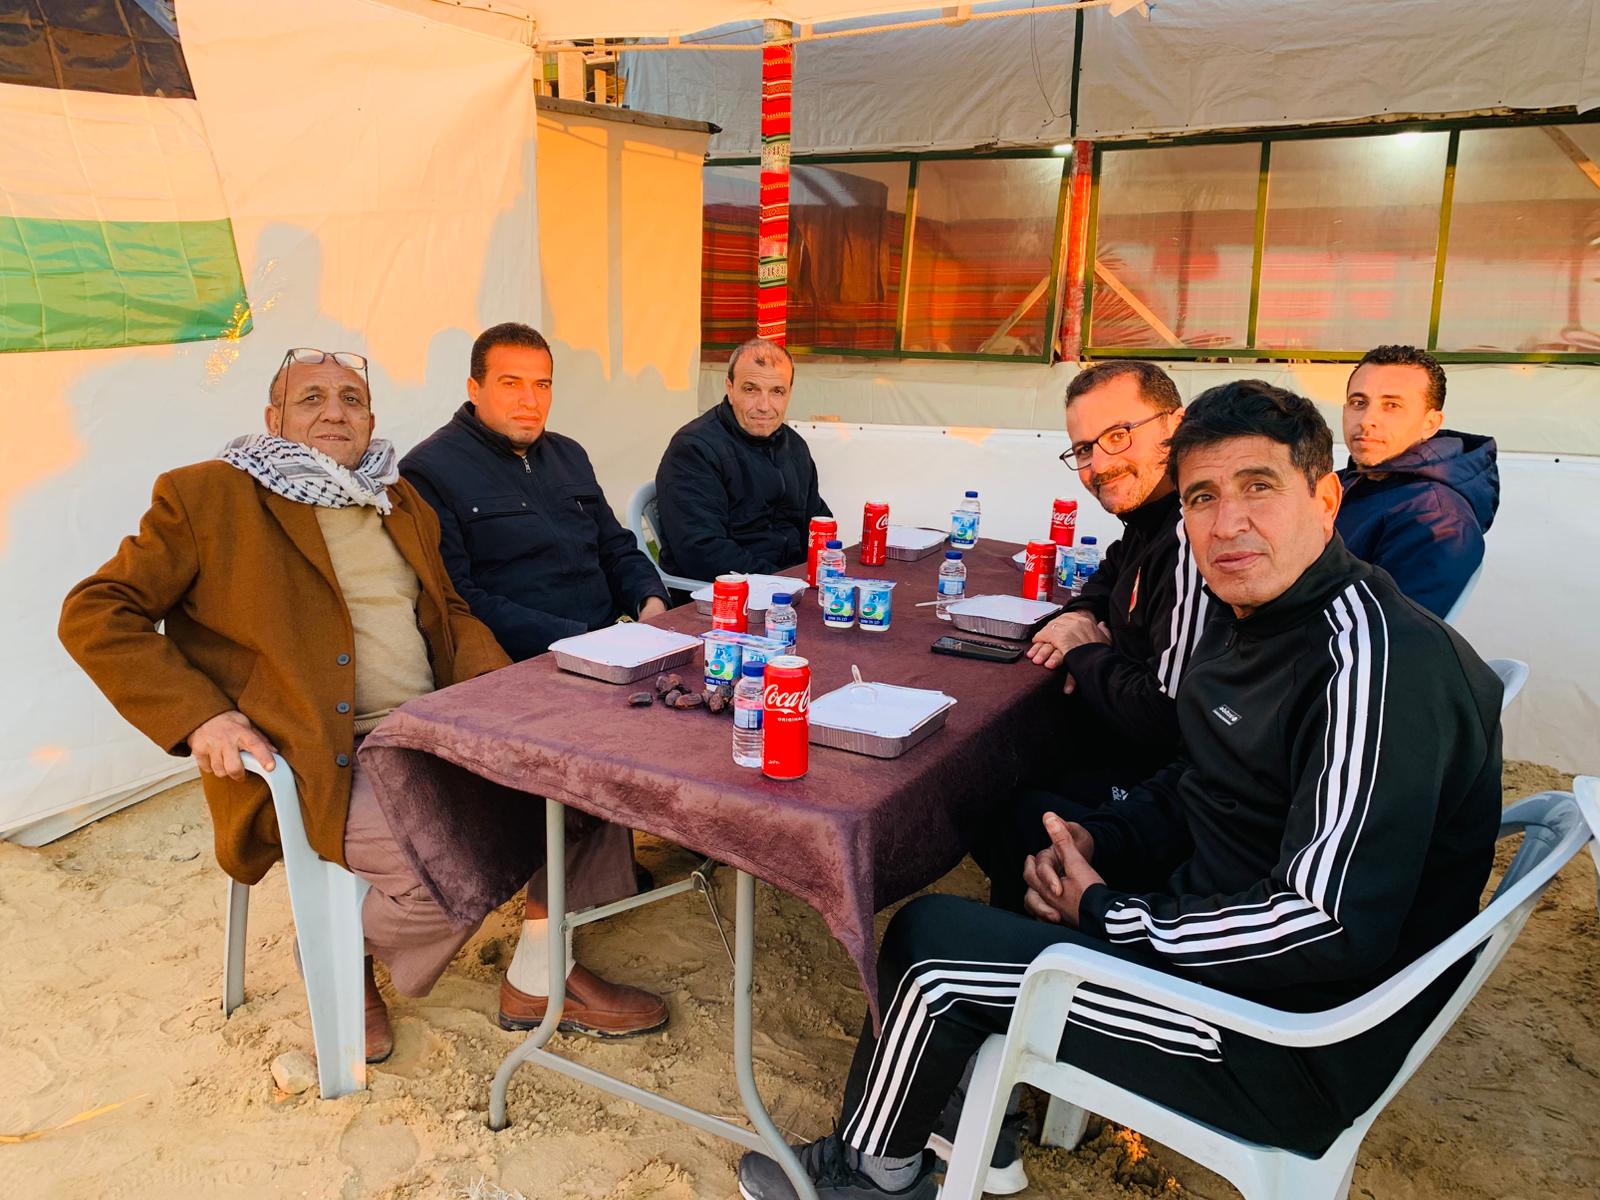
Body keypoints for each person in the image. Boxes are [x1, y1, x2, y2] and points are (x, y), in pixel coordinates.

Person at [736, 380, 1504, 1200]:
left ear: (1324, 500)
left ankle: (871, 1177)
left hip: (1282, 1040)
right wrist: (1104, 839)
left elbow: (1322, 925)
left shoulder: (1375, 668)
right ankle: (970, 1092)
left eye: (1258, 487)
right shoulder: (1263, 617)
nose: (1226, 523)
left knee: (931, 951)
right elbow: (1208, 779)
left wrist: (1108, 914)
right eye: (1202, 497)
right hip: (1238, 950)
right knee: (1033, 824)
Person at [59, 349, 666, 1064]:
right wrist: (201, 717)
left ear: (371, 420)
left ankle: (539, 972)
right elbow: (96, 612)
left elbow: (450, 612)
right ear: (273, 418)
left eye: (351, 399)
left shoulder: (395, 498)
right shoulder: (208, 495)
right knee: (448, 868)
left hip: (432, 729)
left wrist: (509, 702)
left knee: (588, 778)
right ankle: (339, 954)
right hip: (322, 753)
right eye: (311, 398)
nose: (334, 412)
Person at [401, 323, 669, 660]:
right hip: (521, 660)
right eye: (511, 383)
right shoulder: (429, 470)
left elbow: (616, 548)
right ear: (474, 389)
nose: (530, 401)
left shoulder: (569, 454)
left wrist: (651, 601)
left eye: (542, 385)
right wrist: (581, 639)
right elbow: (457, 597)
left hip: (614, 641)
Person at [1337, 344, 1499, 618]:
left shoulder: (1438, 518)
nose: (1367, 419)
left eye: (1392, 405)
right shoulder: (1347, 482)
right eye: (1358, 403)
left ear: (1430, 423)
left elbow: (1388, 629)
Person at [654, 337, 830, 581]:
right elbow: (702, 551)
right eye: (751, 389)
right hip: (723, 592)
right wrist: (783, 581)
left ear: (789, 393)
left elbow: (818, 521)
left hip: (791, 583)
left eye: (777, 391)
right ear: (730, 388)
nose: (764, 406)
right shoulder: (694, 449)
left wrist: (824, 569)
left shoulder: (794, 446)